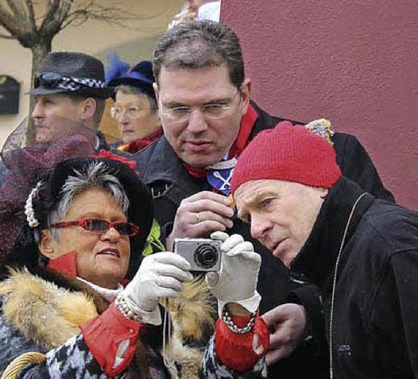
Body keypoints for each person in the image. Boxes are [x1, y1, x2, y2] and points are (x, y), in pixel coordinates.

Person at [132, 20, 395, 377]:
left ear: (244, 96)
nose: (195, 126)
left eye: (213, 107)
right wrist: (169, 248)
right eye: (177, 109)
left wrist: (312, 314)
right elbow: (110, 302)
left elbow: (382, 273)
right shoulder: (131, 181)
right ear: (157, 97)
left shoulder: (331, 155)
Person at [0, 150, 270, 378]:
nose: (112, 235)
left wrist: (237, 310)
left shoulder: (171, 312)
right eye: (93, 224)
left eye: (122, 227)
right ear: (47, 242)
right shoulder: (13, 306)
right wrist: (124, 315)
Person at [231, 121, 418, 378]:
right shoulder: (341, 257)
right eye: (248, 218)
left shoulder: (392, 248)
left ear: (319, 183)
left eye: (266, 202)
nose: (256, 230)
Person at [0, 51, 113, 284]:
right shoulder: (8, 173)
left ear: (87, 109)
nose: (35, 114)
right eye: (37, 102)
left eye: (49, 102)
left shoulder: (124, 168)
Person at [105, 56, 163, 153]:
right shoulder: (110, 152)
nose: (122, 120)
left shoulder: (170, 156)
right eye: (118, 110)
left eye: (132, 109)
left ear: (160, 115)